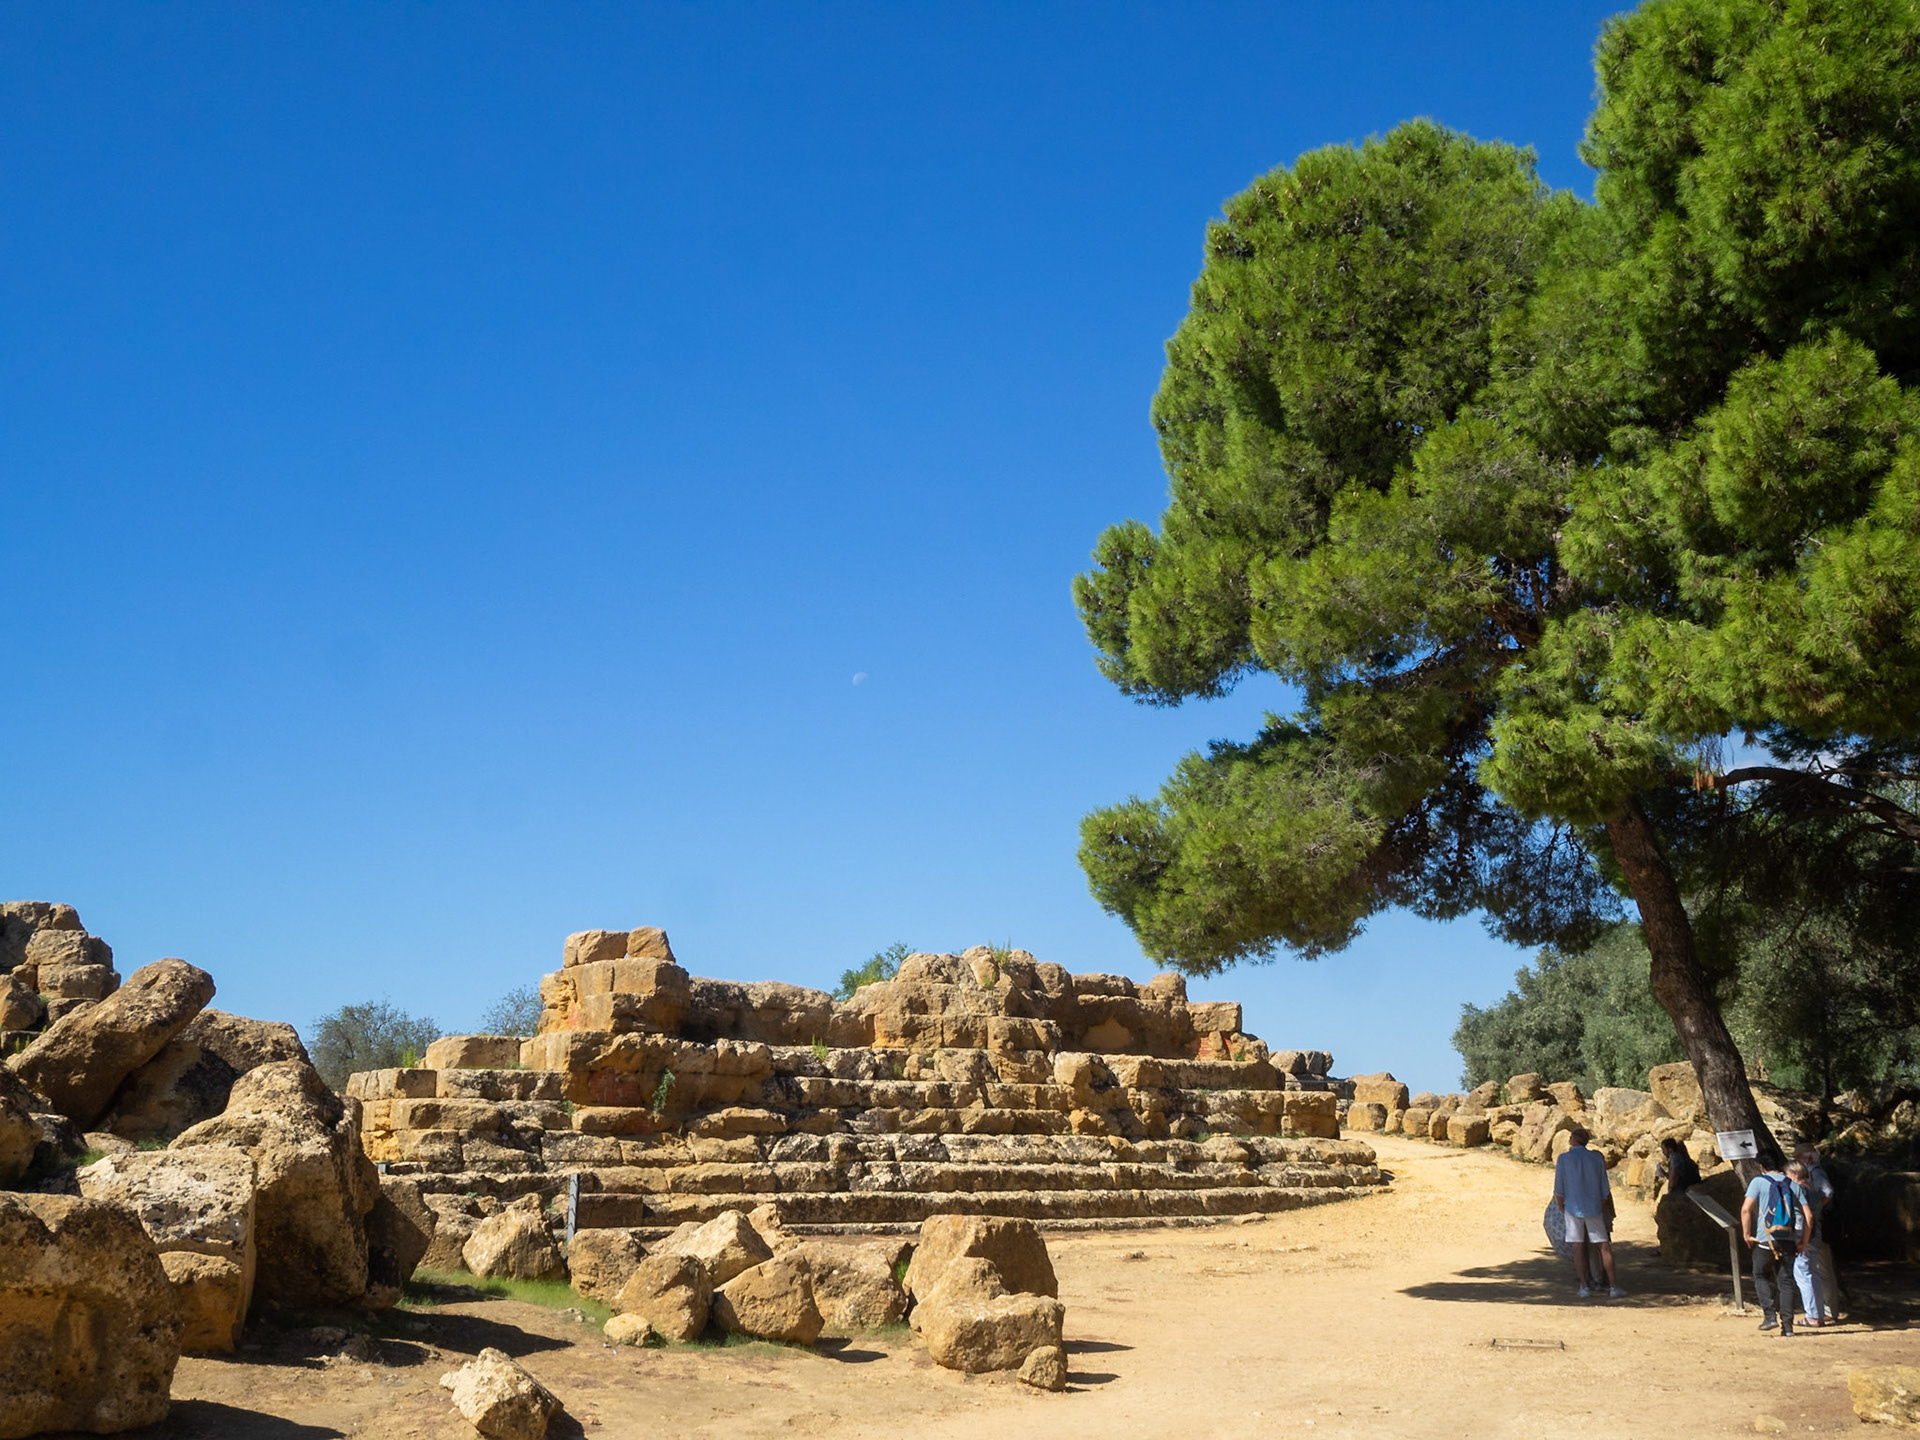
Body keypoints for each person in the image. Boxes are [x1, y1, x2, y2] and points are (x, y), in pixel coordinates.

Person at [1741, 1150, 1812, 1336]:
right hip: (1788, 1240)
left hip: (1766, 1239)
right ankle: (1787, 1327)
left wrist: (1747, 1234)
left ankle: (1769, 1316)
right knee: (1786, 1282)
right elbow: (1808, 1215)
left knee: (1760, 1274)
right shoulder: (1792, 1184)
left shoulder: (1758, 1182)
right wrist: (1803, 1240)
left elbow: (1746, 1209)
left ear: (1761, 1166)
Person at [1553, 1126, 1623, 1298]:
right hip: (1593, 1207)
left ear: (1572, 1140)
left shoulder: (1563, 1159)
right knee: (1603, 1246)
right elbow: (1604, 1188)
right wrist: (1600, 1204)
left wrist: (1562, 1207)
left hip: (1572, 1208)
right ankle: (1613, 1286)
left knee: (1577, 1247)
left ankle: (1584, 1286)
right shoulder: (1596, 1158)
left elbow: (1559, 1189)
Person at [1793, 1145, 1842, 1324]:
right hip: (1816, 1225)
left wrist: (1815, 1208)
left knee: (1822, 1270)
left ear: (1807, 1158)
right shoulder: (1813, 1173)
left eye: (1798, 1157)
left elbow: (1828, 1192)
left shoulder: (1815, 1172)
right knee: (1819, 1269)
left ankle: (1828, 1310)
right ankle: (1825, 1309)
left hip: (1816, 1227)